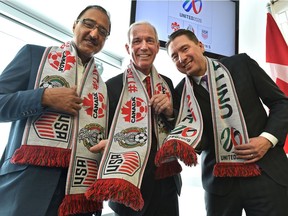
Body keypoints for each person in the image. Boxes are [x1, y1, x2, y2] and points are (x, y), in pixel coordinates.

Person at [0, 5, 111, 216]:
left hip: (78, 198)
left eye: (103, 31)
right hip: (25, 189)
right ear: (74, 25)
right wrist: (43, 97)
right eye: (88, 24)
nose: (95, 33)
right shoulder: (34, 56)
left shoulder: (102, 87)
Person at [163, 29, 288, 216]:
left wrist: (267, 140)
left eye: (185, 48)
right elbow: (200, 142)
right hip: (220, 185)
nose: (181, 58)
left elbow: (281, 103)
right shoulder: (180, 93)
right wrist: (171, 117)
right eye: (174, 56)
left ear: (200, 46)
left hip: (265, 172)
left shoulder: (241, 64)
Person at [88, 21, 181, 216]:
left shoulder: (168, 84)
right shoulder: (110, 87)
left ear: (157, 47)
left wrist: (171, 112)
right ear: (128, 47)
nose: (144, 46)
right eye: (137, 41)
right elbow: (97, 132)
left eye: (150, 41)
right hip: (127, 186)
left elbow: (181, 129)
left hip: (166, 183)